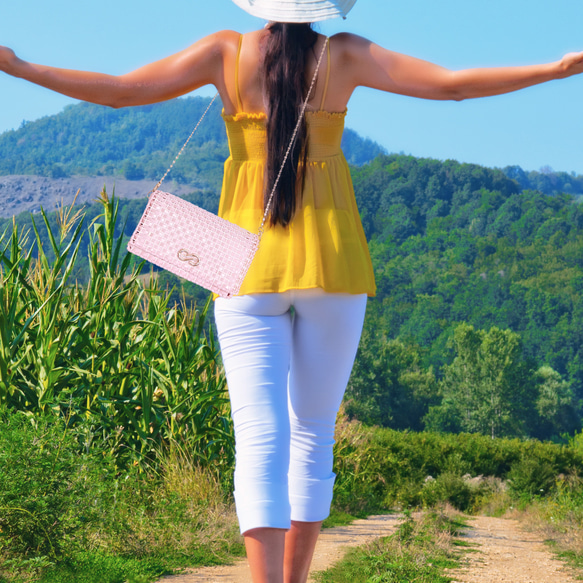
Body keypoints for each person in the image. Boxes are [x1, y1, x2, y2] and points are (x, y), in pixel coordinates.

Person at [1, 1, 582, 581]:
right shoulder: (344, 56)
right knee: (312, 432)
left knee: (259, 437)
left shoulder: (224, 52)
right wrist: (556, 69)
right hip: (333, 265)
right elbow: (452, 88)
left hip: (245, 271)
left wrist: (19, 66)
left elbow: (121, 91)